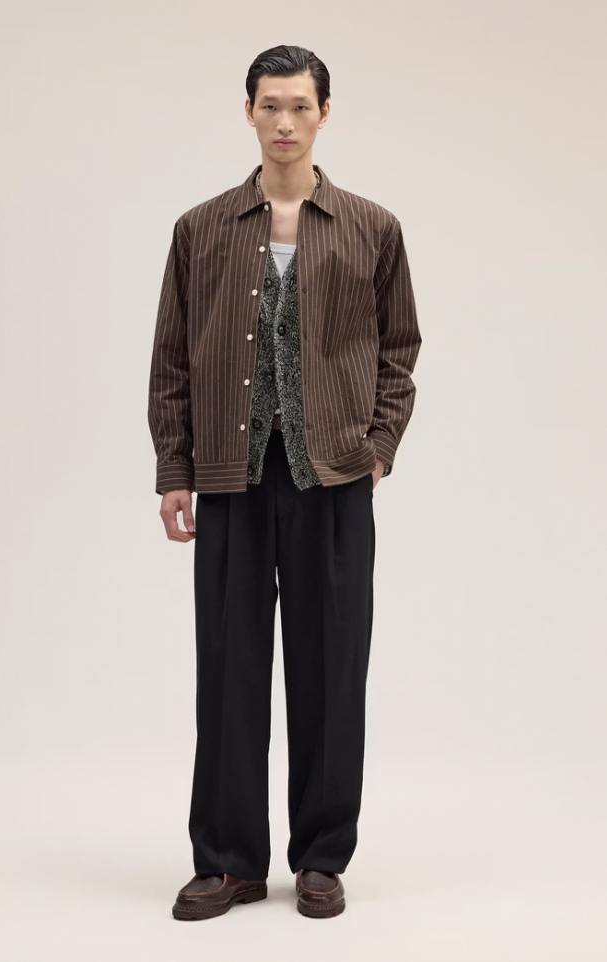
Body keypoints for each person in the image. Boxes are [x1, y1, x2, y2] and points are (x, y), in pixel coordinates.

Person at [147, 44, 422, 921]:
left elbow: (399, 350)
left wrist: (378, 446)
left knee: (331, 668)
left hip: (332, 479)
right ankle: (228, 861)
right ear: (249, 112)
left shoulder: (372, 227)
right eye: (270, 104)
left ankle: (322, 857)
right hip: (230, 479)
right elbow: (172, 360)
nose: (285, 122)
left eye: (301, 105)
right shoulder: (200, 229)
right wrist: (175, 469)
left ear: (324, 114)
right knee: (228, 668)